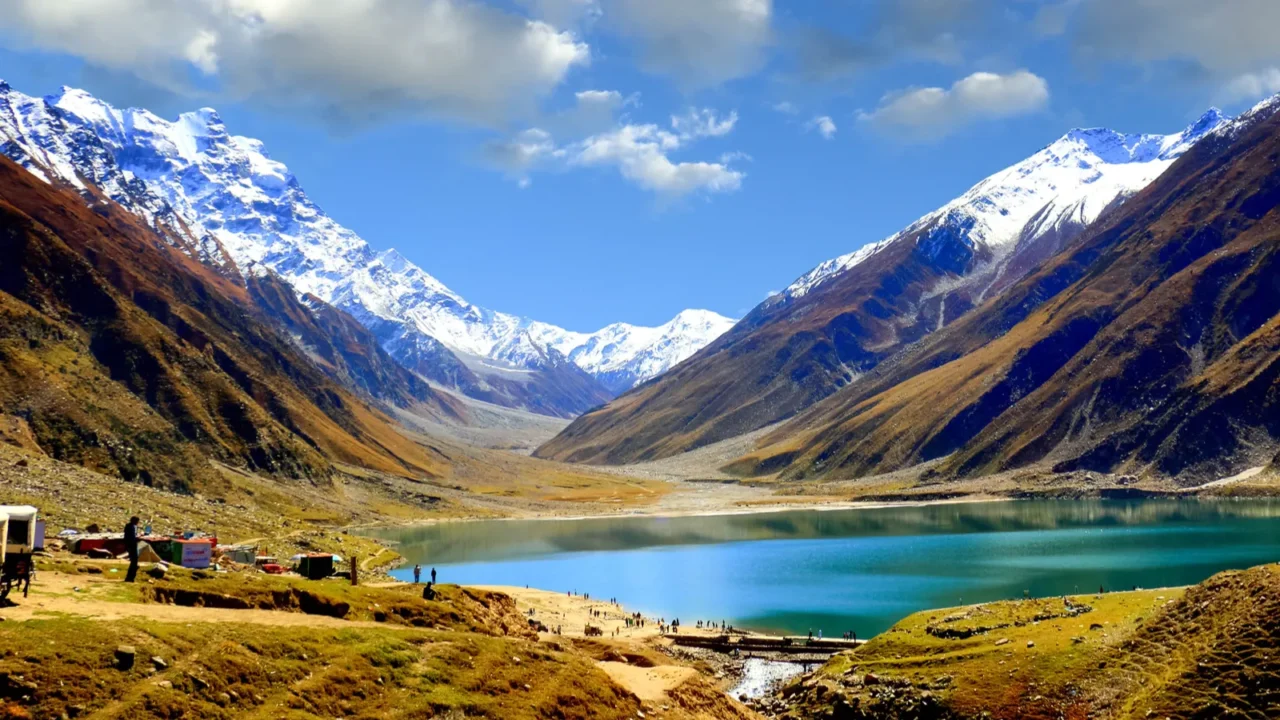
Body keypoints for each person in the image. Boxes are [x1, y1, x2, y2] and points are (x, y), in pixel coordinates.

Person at [124, 516, 140, 583]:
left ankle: (129, 577)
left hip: (129, 546)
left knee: (133, 562)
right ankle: (130, 578)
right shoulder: (132, 527)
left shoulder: (128, 526)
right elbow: (132, 537)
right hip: (132, 546)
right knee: (134, 562)